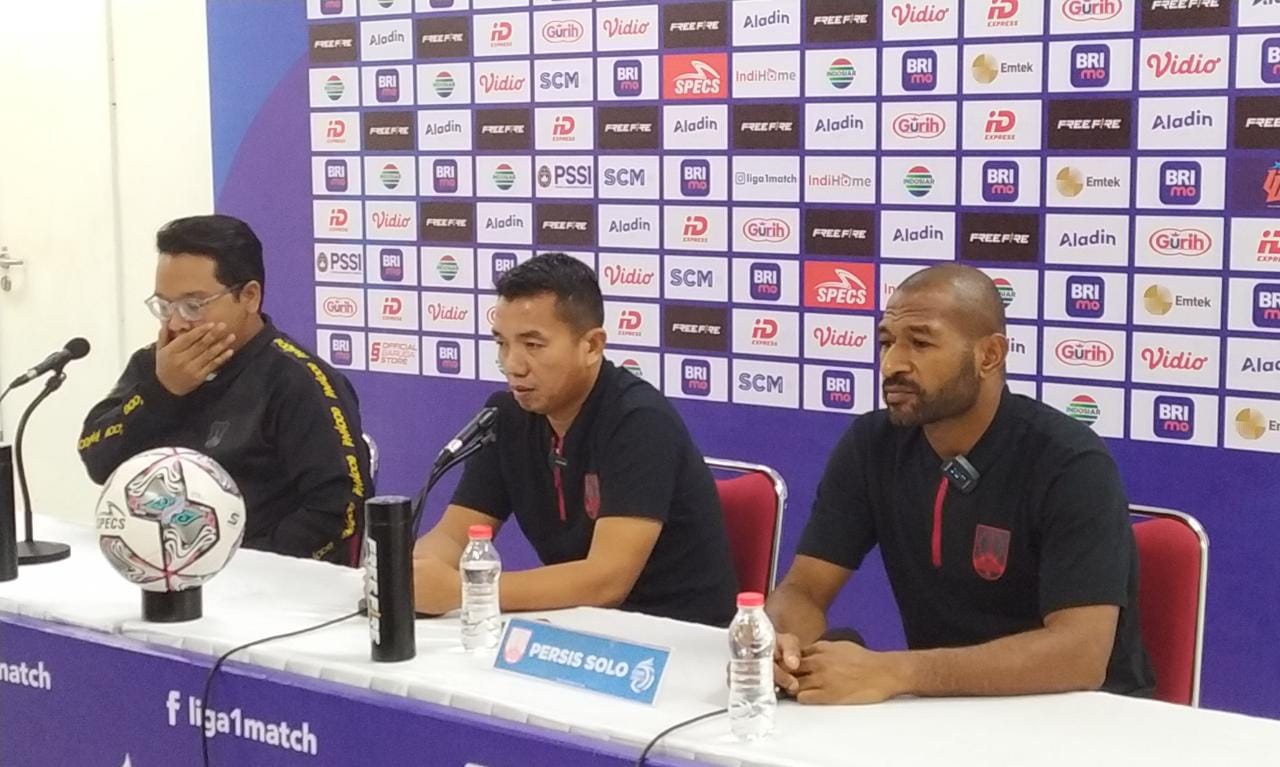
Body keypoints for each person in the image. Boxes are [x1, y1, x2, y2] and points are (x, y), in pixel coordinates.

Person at [766, 263, 1154, 704]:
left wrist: (898, 671)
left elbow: (1080, 656)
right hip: (943, 709)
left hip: (1084, 715)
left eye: (921, 343)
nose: (892, 364)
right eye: (886, 342)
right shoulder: (872, 445)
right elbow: (804, 588)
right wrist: (785, 647)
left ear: (989, 355)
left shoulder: (1070, 463)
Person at [412, 253, 738, 625]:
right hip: (576, 629)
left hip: (675, 636)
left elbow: (606, 582)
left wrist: (468, 590)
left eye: (533, 345)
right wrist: (411, 572)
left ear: (592, 346)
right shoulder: (506, 417)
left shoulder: (640, 420)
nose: (512, 364)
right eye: (502, 344)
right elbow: (453, 538)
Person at [78, 214, 371, 566]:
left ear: (249, 296)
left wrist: (237, 564)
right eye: (165, 306)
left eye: (193, 306)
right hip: (161, 564)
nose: (176, 323)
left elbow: (341, 511)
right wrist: (160, 394)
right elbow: (97, 459)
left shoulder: (298, 380)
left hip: (262, 573)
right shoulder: (156, 365)